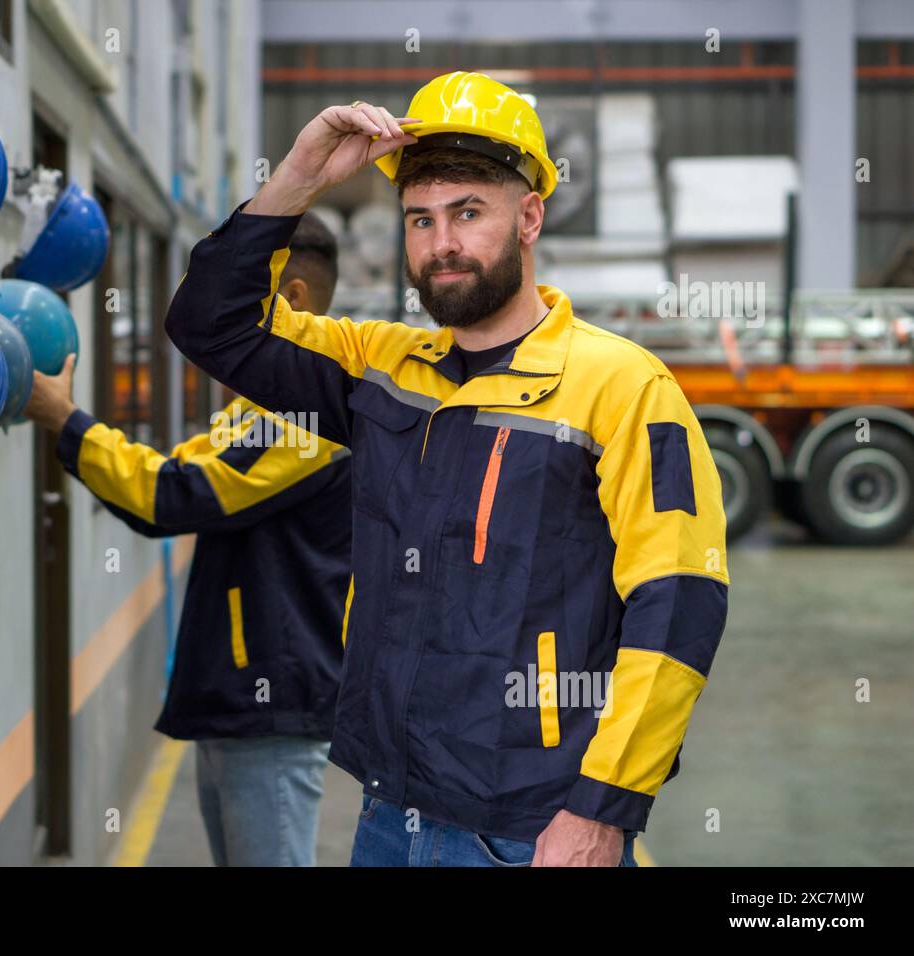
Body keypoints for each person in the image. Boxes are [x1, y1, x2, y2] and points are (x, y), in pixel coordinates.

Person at [162, 72, 730, 867]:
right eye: (420, 220)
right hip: (390, 813)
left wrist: (602, 811)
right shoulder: (383, 368)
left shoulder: (623, 387)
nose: (443, 244)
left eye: (469, 212)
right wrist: (297, 177)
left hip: (531, 830)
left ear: (529, 216)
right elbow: (209, 323)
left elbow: (680, 602)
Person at [24, 214, 352, 866]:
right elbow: (182, 473)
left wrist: (64, 421)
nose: (210, 333)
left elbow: (169, 494)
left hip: (271, 710)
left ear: (289, 303)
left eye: (229, 308)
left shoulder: (303, 421)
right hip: (242, 706)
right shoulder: (260, 411)